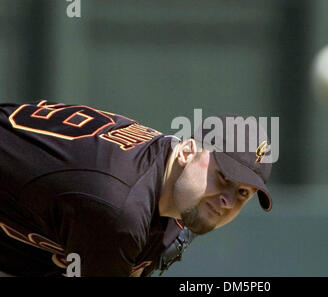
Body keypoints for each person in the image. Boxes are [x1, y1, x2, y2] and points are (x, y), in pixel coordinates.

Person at [0, 100, 273, 277]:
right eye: (223, 177)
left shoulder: (163, 167)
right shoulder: (120, 209)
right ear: (188, 151)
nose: (227, 200)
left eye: (242, 193)